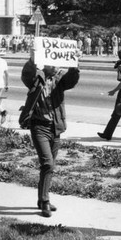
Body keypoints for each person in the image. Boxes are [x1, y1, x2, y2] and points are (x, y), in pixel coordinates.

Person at [21, 58, 80, 218]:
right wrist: (33, 60)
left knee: (49, 165)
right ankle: (45, 201)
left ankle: (42, 199)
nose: (57, 67)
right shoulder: (36, 77)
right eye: (53, 63)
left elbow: (72, 80)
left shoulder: (59, 79)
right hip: (39, 126)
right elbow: (27, 74)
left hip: (56, 127)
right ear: (44, 63)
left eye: (58, 64)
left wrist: (75, 65)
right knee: (47, 163)